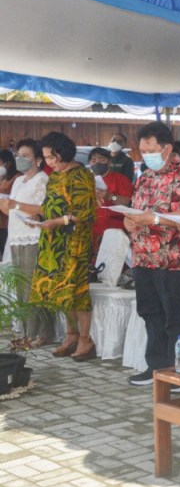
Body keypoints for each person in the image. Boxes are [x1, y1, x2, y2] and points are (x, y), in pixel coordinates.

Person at [122, 122, 180, 385]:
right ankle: (156, 367)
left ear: (167, 148)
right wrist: (129, 221)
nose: (147, 156)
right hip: (143, 256)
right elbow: (135, 210)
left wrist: (154, 219)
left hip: (172, 258)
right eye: (143, 151)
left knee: (175, 316)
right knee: (150, 312)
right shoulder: (144, 176)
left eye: (151, 151)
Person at [29, 131, 98, 361]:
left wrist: (57, 222)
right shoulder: (55, 176)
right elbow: (49, 205)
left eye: (51, 157)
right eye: (46, 158)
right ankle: (71, 335)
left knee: (77, 290)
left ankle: (85, 340)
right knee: (61, 290)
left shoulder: (81, 175)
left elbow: (84, 212)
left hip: (74, 241)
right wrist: (39, 218)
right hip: (53, 240)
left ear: (63, 153)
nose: (49, 162)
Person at [0, 139, 55, 346]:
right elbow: (12, 209)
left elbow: (43, 209)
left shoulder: (42, 179)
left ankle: (42, 332)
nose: (20, 159)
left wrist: (15, 205)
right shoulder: (18, 181)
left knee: (35, 285)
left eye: (26, 156)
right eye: (18, 155)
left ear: (38, 159)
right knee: (21, 286)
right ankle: (26, 331)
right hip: (16, 235)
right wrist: (6, 206)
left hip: (34, 237)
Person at [87, 147, 132, 258]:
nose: (97, 163)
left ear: (109, 162)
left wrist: (111, 197)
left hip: (114, 232)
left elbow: (127, 203)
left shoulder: (121, 179)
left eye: (101, 159)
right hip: (90, 232)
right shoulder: (86, 181)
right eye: (93, 160)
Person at [0, 149, 21, 258]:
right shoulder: (4, 176)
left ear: (7, 163)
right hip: (1, 218)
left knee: (6, 250)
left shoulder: (17, 177)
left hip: (7, 220)